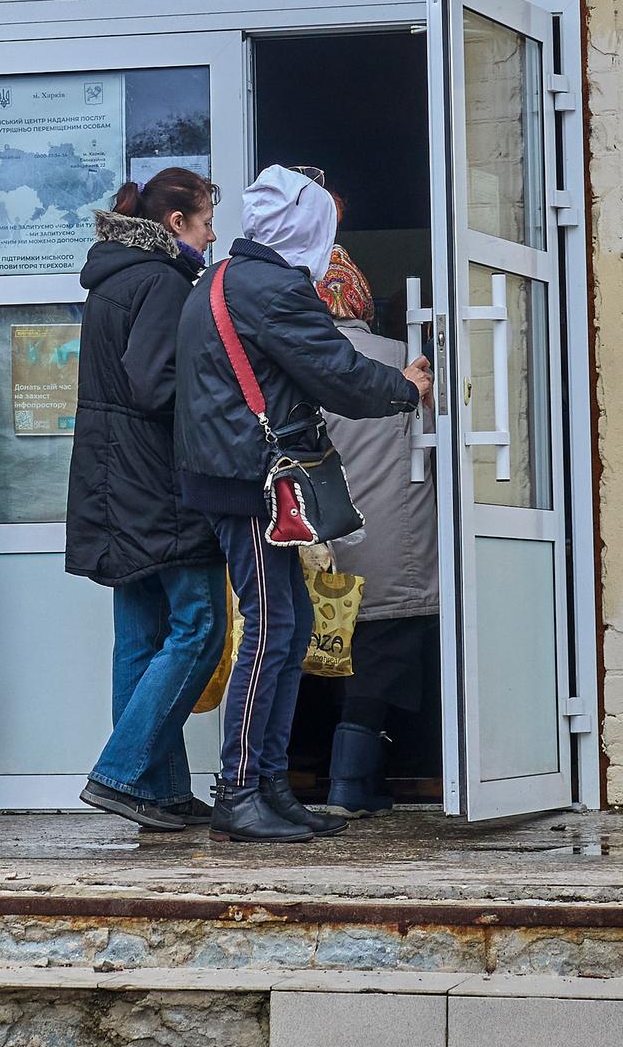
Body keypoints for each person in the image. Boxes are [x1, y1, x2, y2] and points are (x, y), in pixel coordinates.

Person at [174, 164, 433, 844]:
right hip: (252, 483)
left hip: (236, 476)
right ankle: (239, 789)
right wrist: (404, 387)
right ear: (304, 230)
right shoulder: (275, 289)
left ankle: (269, 784)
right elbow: (337, 372)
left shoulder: (228, 276)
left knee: (285, 629)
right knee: (269, 631)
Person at [66, 168, 228, 831]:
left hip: (114, 479)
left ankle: (158, 788)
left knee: (141, 634)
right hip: (158, 480)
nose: (214, 233)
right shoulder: (162, 281)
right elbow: (156, 384)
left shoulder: (116, 276)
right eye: (206, 219)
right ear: (175, 224)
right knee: (199, 626)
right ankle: (121, 772)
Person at [315, 245, 440, 817]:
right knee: (385, 652)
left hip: (322, 538)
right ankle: (349, 785)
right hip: (398, 532)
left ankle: (329, 778)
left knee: (321, 655)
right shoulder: (404, 360)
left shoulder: (296, 363)